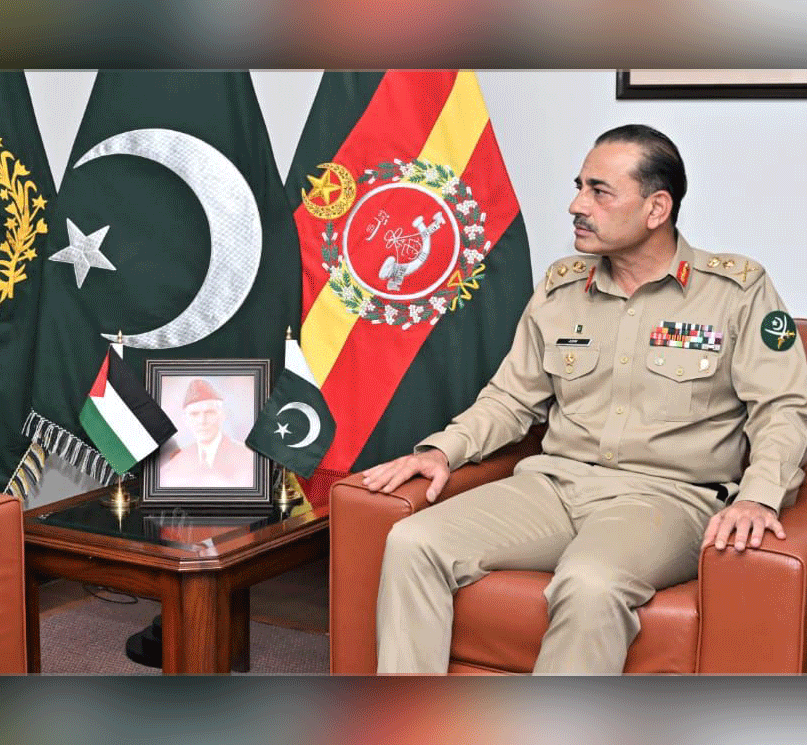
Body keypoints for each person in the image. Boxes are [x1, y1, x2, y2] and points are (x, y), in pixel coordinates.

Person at [363, 124, 807, 674]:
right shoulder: (560, 287)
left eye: (600, 191)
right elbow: (510, 397)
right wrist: (444, 450)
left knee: (590, 582)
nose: (577, 205)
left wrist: (759, 497)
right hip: (554, 486)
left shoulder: (736, 291)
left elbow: (784, 409)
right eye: (579, 187)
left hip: (667, 499)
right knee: (412, 542)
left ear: (656, 208)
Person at [158, 378, 256, 489]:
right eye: (194, 414)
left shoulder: (247, 457)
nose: (202, 421)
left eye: (210, 412)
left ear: (222, 415)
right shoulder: (178, 462)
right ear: (185, 420)